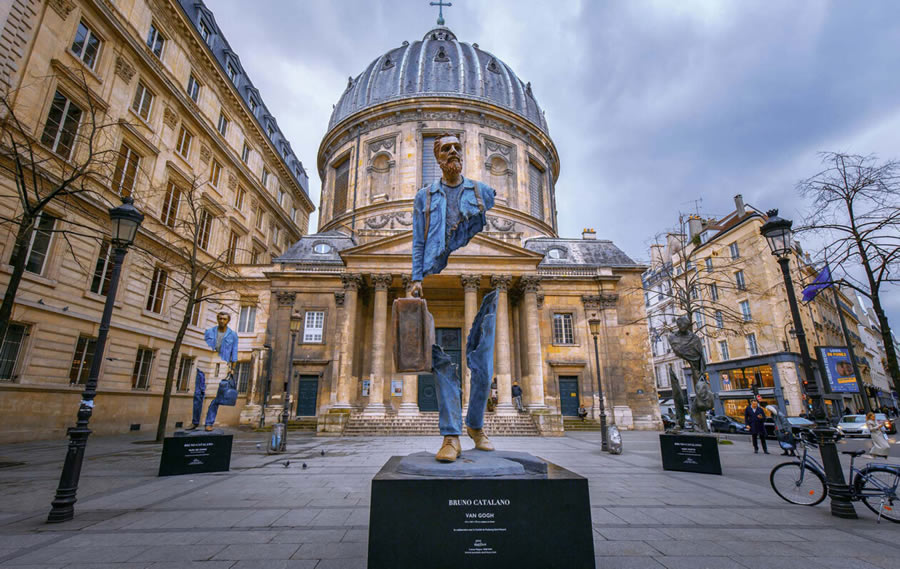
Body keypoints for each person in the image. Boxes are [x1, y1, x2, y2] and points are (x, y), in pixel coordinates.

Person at [410, 133, 498, 463]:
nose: (453, 152)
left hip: (486, 265)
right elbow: (419, 241)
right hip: (434, 267)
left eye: (458, 147)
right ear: (436, 157)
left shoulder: (480, 192)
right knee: (439, 360)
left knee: (484, 359)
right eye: (446, 148)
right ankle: (451, 434)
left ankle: (475, 424)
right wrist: (417, 278)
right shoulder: (424, 197)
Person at [187, 312, 239, 431]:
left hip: (221, 365)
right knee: (198, 394)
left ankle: (209, 422)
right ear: (217, 319)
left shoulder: (233, 335)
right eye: (220, 318)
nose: (222, 321)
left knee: (216, 398)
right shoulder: (209, 332)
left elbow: (234, 352)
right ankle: (195, 421)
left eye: (224, 319)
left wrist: (233, 368)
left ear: (228, 321)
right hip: (204, 362)